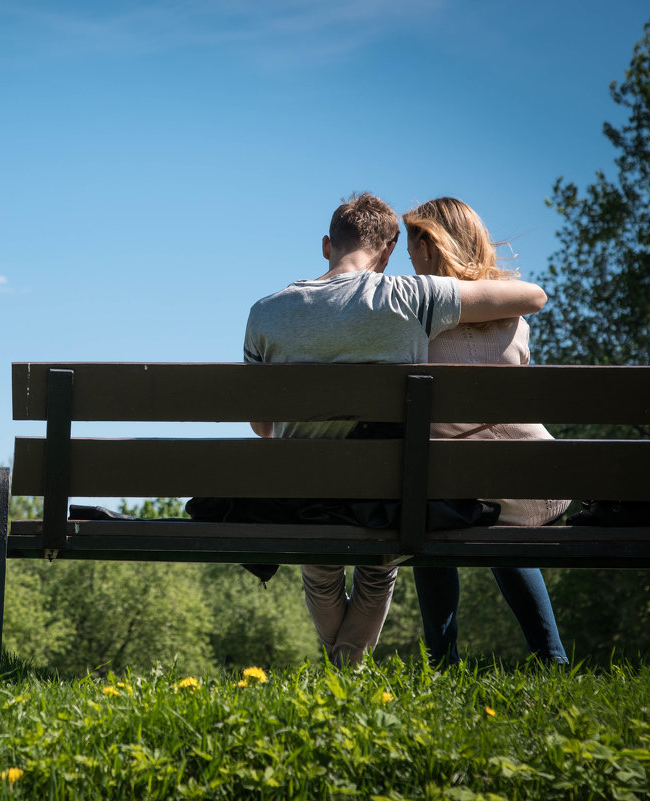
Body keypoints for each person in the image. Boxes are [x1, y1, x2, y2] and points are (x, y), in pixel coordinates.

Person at [243, 192, 547, 665]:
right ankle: (347, 670)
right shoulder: (406, 296)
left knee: (321, 571)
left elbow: (262, 426)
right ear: (386, 253)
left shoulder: (265, 312)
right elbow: (532, 296)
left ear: (327, 245)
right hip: (381, 502)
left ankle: (343, 673)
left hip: (300, 498)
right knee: (379, 570)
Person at [403, 197, 570, 666]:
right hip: (531, 478)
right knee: (497, 508)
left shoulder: (418, 314)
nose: (410, 263)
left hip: (450, 488)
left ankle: (443, 661)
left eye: (413, 250)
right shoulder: (515, 317)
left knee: (427, 502)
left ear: (430, 247)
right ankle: (551, 656)